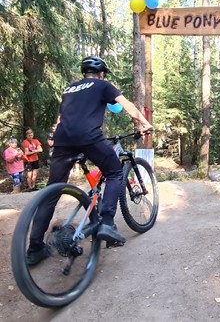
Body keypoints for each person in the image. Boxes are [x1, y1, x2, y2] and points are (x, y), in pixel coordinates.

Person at [26, 56, 153, 265]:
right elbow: (126, 105)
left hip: (63, 140)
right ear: (101, 73)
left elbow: (61, 119)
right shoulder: (103, 85)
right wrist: (144, 122)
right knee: (114, 173)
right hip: (88, 137)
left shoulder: (69, 89)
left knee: (52, 192)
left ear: (84, 72)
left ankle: (35, 248)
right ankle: (107, 224)